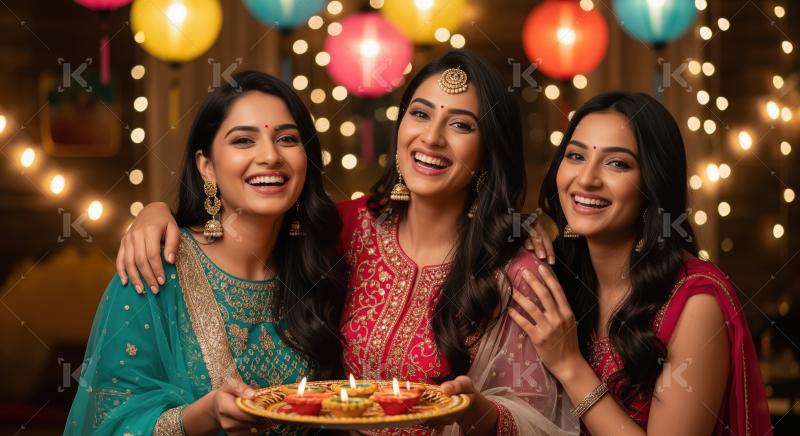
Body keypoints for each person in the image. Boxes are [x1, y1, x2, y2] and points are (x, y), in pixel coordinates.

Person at [115, 50, 575, 435]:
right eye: (419, 113)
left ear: (489, 151)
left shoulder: (513, 273)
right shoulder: (343, 229)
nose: (431, 138)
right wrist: (156, 213)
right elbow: (257, 203)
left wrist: (475, 410)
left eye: (461, 125)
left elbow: (538, 414)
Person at [66, 71, 347, 435]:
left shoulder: (322, 266)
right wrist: (203, 416)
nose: (270, 156)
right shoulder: (154, 270)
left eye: (287, 139)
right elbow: (107, 422)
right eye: (244, 140)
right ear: (207, 166)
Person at [509, 91, 773, 435]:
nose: (586, 179)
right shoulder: (561, 277)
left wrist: (570, 365)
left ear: (653, 183)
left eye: (617, 163)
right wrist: (514, 235)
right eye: (575, 156)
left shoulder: (694, 304)